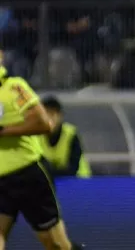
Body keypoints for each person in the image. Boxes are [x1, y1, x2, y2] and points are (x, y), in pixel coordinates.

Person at [0, 52, 82, 250]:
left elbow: (44, 124)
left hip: (27, 173)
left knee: (55, 244)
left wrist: (4, 132)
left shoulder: (14, 88)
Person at [39, 96, 92, 178]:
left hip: (78, 181)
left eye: (52, 114)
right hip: (52, 182)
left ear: (60, 115)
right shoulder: (36, 136)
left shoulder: (71, 134)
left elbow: (73, 169)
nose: (49, 119)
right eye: (45, 114)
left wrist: (50, 173)